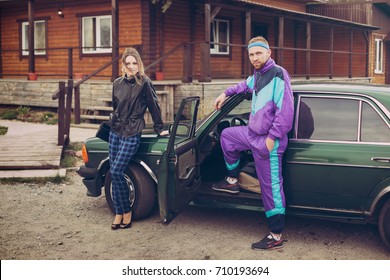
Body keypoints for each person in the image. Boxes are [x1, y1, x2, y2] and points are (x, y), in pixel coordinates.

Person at [213, 36, 294, 250]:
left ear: (268, 52)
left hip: (269, 141)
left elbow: (285, 112)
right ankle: (232, 180)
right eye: (251, 54)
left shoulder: (278, 74)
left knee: (271, 188)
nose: (255, 57)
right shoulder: (257, 76)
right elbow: (243, 85)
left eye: (259, 53)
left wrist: (271, 139)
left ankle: (275, 236)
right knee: (227, 136)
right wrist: (225, 93)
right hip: (251, 134)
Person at [109, 47, 168, 230]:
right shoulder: (117, 83)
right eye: (129, 63)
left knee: (118, 171)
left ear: (139, 64)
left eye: (135, 63)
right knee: (113, 172)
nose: (132, 66)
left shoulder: (145, 82)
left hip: (133, 131)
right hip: (115, 131)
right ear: (123, 66)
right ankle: (119, 212)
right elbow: (115, 106)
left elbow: (154, 106)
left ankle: (126, 211)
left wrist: (159, 128)